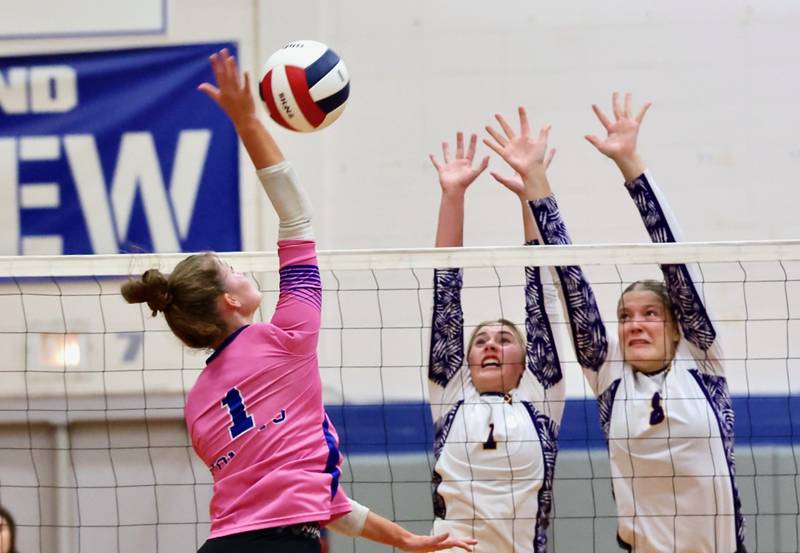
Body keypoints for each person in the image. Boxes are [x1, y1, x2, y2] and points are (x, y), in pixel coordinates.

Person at [121, 48, 476, 553]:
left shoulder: (199, 401)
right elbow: (296, 218)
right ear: (230, 301)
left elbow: (320, 500)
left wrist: (405, 540)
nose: (245, 270)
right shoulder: (286, 338)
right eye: (235, 269)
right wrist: (247, 123)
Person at [486, 96, 745, 553]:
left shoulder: (703, 361)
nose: (635, 325)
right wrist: (537, 184)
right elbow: (569, 279)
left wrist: (630, 164)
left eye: (650, 314)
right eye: (625, 316)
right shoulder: (609, 377)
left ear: (677, 326)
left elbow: (675, 259)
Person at [427, 130, 578, 552]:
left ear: (526, 360)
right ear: (466, 361)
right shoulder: (451, 392)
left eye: (505, 339)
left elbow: (541, 294)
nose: (491, 345)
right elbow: (446, 293)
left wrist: (531, 194)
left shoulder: (541, 394)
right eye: (481, 341)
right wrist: (452, 195)